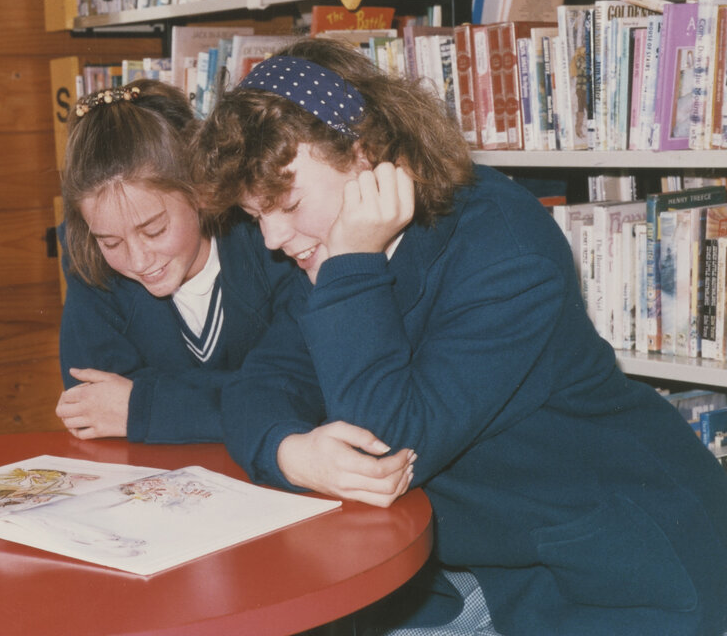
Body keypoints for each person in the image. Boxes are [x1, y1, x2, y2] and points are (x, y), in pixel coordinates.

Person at [193, 37, 727, 636]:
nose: (271, 238)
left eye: (287, 204)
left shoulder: (504, 250)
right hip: (495, 566)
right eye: (256, 214)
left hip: (628, 572)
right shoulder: (327, 252)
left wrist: (350, 264)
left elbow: (391, 442)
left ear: (364, 154)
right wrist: (291, 452)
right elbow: (258, 385)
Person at [55, 80, 311, 447]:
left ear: (200, 193)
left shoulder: (271, 243)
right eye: (111, 241)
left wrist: (142, 406)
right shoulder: (90, 255)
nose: (138, 260)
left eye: (155, 230)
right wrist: (244, 393)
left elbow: (304, 393)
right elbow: (91, 404)